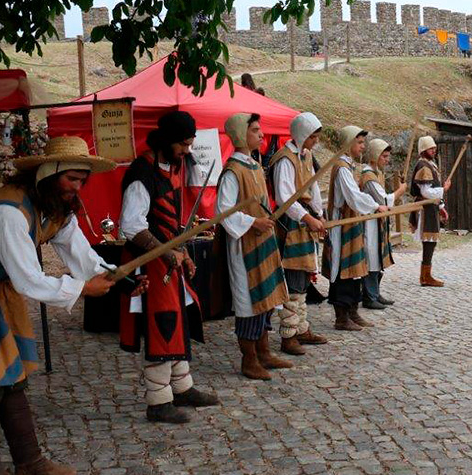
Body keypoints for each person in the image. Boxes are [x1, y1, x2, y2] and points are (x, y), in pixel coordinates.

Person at [0, 137, 146, 475]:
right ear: (49, 175)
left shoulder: (56, 209)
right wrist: (82, 290)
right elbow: (29, 280)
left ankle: (28, 460)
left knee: (14, 373)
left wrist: (120, 280)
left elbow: (81, 256)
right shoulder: (8, 212)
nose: (77, 188)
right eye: (72, 180)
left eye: (82, 180)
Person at [119, 111, 219, 424]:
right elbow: (131, 226)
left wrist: (183, 253)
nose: (187, 151)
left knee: (177, 322)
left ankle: (181, 386)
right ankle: (158, 400)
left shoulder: (173, 166)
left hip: (169, 259)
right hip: (150, 265)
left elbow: (172, 223)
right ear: (167, 141)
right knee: (162, 326)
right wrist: (164, 254)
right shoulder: (141, 173)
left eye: (190, 145)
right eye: (183, 144)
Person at [216, 113, 293, 380]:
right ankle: (249, 360)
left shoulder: (255, 166)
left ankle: (264, 352)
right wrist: (252, 223)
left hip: (263, 243)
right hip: (244, 248)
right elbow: (223, 212)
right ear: (240, 135)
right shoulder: (232, 171)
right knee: (249, 303)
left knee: (266, 298)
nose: (261, 135)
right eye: (255, 130)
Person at [269, 112, 328, 355]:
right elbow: (284, 198)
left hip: (305, 220)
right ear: (302, 135)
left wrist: (319, 213)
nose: (315, 141)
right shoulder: (284, 160)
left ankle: (301, 328)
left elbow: (312, 188)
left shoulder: (306, 155)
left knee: (303, 276)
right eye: (312, 137)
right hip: (290, 223)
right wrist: (306, 217)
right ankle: (288, 335)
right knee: (293, 277)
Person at [322, 126, 387, 330]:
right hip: (343, 226)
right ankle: (341, 317)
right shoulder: (341, 167)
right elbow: (353, 197)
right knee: (343, 268)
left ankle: (352, 311)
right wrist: (376, 205)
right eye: (359, 142)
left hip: (352, 222)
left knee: (355, 269)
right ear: (348, 143)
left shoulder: (348, 166)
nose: (362, 146)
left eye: (363, 142)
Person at [359, 138, 407, 309]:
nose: (387, 160)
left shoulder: (376, 173)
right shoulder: (368, 176)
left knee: (377, 255)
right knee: (372, 256)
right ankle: (369, 296)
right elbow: (382, 199)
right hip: (369, 222)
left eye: (388, 156)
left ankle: (375, 293)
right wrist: (400, 192)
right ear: (375, 156)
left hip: (377, 221)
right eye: (384, 156)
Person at [410, 135, 451, 287]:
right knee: (428, 241)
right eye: (430, 148)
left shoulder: (429, 164)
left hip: (431, 207)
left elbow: (432, 191)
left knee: (431, 242)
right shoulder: (423, 166)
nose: (434, 150)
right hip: (425, 209)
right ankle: (425, 277)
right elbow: (426, 192)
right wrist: (444, 189)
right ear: (423, 150)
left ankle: (426, 275)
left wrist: (441, 207)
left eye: (434, 147)